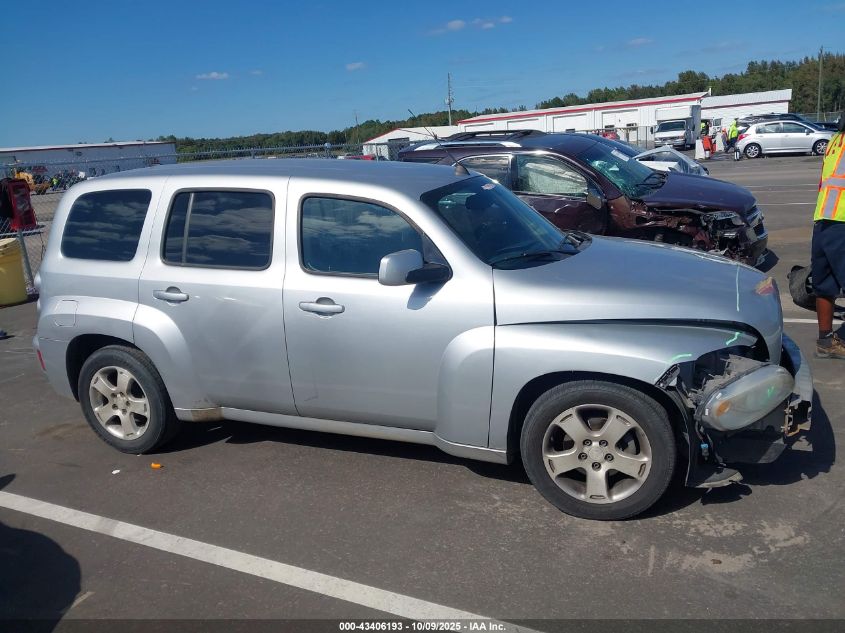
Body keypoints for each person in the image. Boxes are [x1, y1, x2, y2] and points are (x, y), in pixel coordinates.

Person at [811, 113, 845, 358]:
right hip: (841, 221)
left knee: (825, 285)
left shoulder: (835, 141)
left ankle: (825, 341)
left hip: (823, 218)